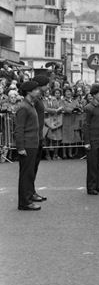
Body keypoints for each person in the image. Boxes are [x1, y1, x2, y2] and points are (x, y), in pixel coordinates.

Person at [15, 81, 42, 211]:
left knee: (29, 173)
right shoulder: (23, 107)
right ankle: (24, 203)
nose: (38, 91)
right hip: (27, 144)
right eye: (35, 89)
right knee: (26, 174)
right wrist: (20, 147)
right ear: (29, 92)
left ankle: (27, 198)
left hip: (32, 144)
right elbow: (19, 129)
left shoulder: (30, 105)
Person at [83, 84, 99, 195]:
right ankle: (91, 187)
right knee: (92, 165)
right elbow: (85, 125)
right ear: (93, 95)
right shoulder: (89, 108)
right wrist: (87, 142)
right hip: (93, 140)